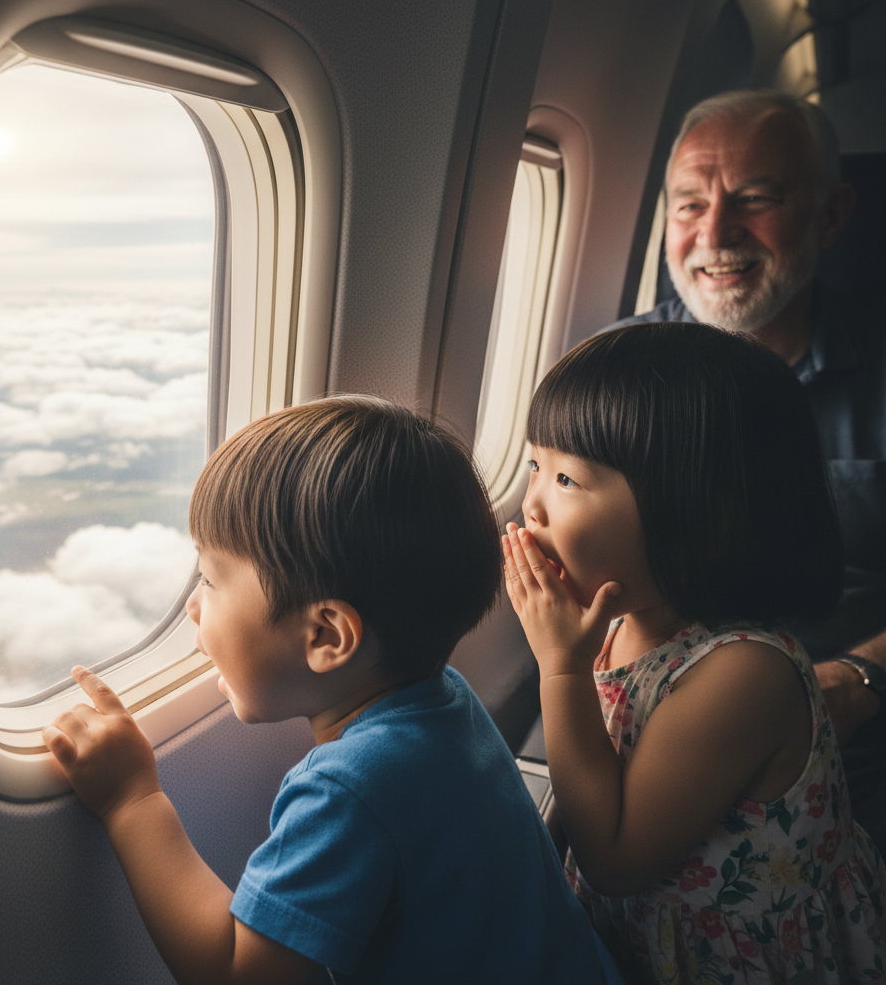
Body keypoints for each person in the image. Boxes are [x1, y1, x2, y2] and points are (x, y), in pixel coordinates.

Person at [43, 396, 623, 985]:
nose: (193, 605)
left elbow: (236, 974)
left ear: (326, 636)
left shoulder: (348, 792)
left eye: (212, 580)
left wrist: (134, 802)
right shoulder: (450, 701)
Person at [503, 323, 886, 984]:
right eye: (535, 464)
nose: (530, 503)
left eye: (566, 478)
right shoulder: (620, 622)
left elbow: (616, 861)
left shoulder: (744, 675)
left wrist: (560, 665)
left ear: (701, 522)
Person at [612, 88, 886, 851]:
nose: (716, 233)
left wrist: (863, 681)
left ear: (831, 215)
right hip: (649, 730)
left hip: (854, 739)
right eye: (689, 205)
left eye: (756, 199)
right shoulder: (615, 377)